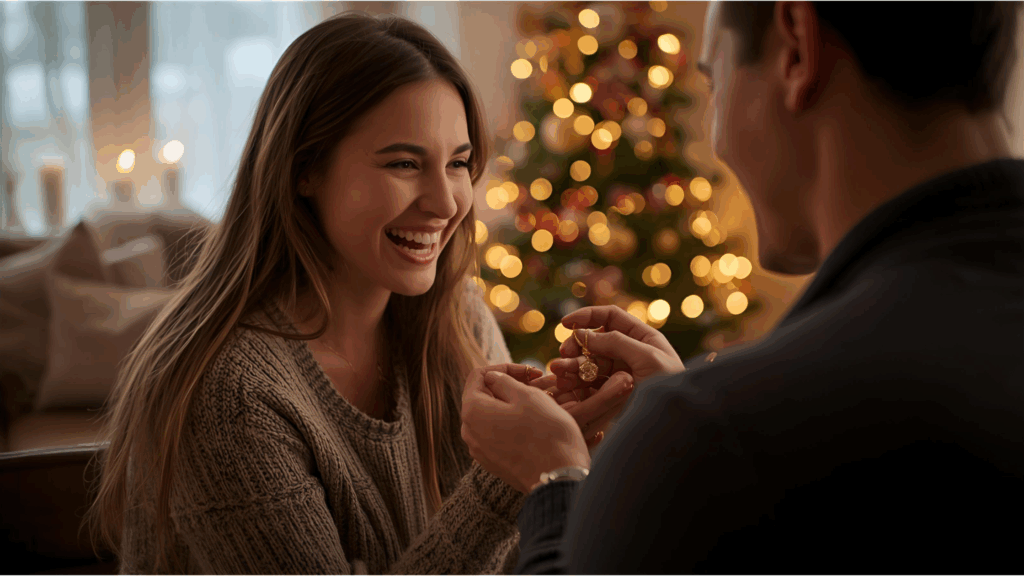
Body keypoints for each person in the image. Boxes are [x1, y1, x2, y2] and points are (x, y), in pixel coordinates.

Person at [461, 1, 1024, 573]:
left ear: (796, 49)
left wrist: (557, 482)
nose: (719, 136)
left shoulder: (727, 439)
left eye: (713, 78)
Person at [83, 12, 623, 574]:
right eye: (404, 163)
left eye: (459, 163)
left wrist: (603, 443)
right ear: (304, 170)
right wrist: (507, 484)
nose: (445, 203)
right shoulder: (229, 395)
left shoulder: (458, 319)